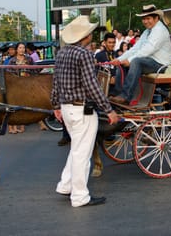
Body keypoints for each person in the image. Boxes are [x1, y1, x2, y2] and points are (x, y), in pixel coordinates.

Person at [51, 15, 119, 207]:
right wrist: (109, 109)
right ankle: (80, 196)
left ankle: (66, 185)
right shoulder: (84, 54)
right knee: (82, 153)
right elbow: (92, 86)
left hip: (66, 108)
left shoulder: (62, 53)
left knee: (76, 149)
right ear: (86, 36)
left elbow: (55, 82)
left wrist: (55, 105)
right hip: (82, 110)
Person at [109, 5, 171, 105]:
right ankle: (118, 94)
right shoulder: (147, 31)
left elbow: (148, 49)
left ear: (156, 18)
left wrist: (129, 60)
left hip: (160, 64)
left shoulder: (160, 30)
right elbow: (136, 48)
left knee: (136, 62)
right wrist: (120, 59)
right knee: (122, 63)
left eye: (148, 18)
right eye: (143, 19)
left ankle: (126, 97)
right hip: (148, 61)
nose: (145, 21)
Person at [8, 42, 36, 133]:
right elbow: (8, 73)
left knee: (24, 105)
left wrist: (29, 69)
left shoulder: (29, 59)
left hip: (27, 85)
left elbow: (35, 70)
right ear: (17, 49)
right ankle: (13, 127)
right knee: (14, 105)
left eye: (23, 48)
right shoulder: (12, 60)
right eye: (20, 48)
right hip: (15, 85)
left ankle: (22, 126)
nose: (22, 49)